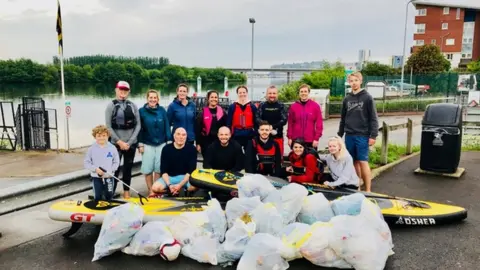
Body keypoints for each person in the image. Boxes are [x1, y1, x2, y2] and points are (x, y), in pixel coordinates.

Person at [337, 72, 378, 192]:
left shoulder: (367, 97)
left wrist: (373, 135)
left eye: (356, 80)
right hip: (349, 135)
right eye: (351, 81)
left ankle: (368, 190)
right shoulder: (347, 99)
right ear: (349, 82)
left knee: (363, 161)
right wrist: (339, 135)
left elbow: (373, 118)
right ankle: (357, 187)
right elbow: (343, 118)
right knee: (353, 162)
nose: (354, 83)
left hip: (362, 135)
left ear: (361, 81)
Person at [105, 81, 141, 199]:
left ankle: (126, 191)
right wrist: (119, 142)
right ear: (116, 90)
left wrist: (129, 143)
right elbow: (108, 126)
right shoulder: (111, 105)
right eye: (121, 91)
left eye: (125, 91)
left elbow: (138, 126)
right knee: (114, 169)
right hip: (116, 144)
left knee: (127, 168)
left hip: (130, 144)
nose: (123, 93)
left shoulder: (133, 106)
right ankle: (111, 192)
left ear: (128, 92)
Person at [138, 89, 171, 196]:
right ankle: (150, 191)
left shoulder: (162, 110)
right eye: (150, 97)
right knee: (148, 169)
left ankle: (156, 190)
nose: (152, 99)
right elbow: (139, 129)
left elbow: (167, 126)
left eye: (155, 98)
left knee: (158, 169)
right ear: (147, 98)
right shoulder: (141, 111)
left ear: (158, 99)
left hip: (161, 143)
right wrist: (140, 144)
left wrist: (169, 141)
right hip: (147, 143)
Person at [151, 127, 198, 196]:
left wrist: (179, 185)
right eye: (178, 134)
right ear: (174, 136)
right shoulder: (166, 149)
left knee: (194, 187)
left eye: (183, 135)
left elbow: (191, 171)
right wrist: (169, 185)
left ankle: (181, 190)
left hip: (185, 177)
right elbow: (164, 171)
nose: (181, 137)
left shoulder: (192, 149)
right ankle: (171, 190)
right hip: (170, 177)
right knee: (155, 188)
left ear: (186, 137)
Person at [84, 125, 120, 202]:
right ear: (95, 137)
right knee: (98, 196)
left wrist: (111, 170)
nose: (101, 138)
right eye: (99, 136)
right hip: (96, 177)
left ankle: (109, 209)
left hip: (109, 177)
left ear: (108, 136)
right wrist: (95, 169)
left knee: (109, 195)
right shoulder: (91, 149)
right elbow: (87, 163)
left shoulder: (112, 148)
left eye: (104, 135)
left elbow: (116, 162)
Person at [286, 83, 323, 149]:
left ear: (308, 92)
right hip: (296, 140)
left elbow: (319, 124)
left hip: (310, 140)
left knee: (310, 158)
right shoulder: (293, 107)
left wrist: (316, 138)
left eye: (305, 91)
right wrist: (289, 137)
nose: (303, 93)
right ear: (299, 93)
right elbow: (290, 124)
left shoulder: (315, 106)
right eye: (301, 91)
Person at [256, 85, 288, 156]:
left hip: (277, 136)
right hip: (263, 137)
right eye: (270, 93)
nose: (272, 95)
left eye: (274, 93)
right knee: (263, 158)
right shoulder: (262, 105)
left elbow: (284, 120)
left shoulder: (281, 105)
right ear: (267, 94)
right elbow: (257, 118)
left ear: (277, 94)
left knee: (278, 157)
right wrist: (266, 128)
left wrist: (272, 127)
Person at [195, 90, 227, 159]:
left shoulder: (223, 112)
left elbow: (227, 127)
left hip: (219, 142)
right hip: (206, 142)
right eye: (212, 97)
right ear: (208, 99)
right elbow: (198, 130)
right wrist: (198, 144)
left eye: (216, 97)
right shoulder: (202, 113)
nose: (214, 99)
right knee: (208, 164)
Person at [227, 85, 258, 151]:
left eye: (244, 92)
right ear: (237, 94)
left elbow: (256, 122)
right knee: (237, 154)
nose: (242, 94)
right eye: (240, 93)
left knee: (249, 154)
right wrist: (229, 135)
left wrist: (256, 135)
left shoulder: (252, 107)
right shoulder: (232, 107)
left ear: (247, 93)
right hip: (236, 134)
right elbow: (228, 122)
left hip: (249, 135)